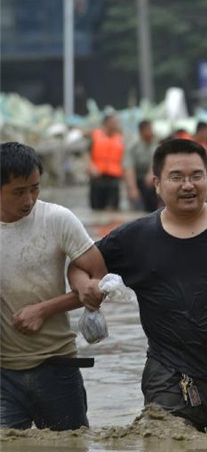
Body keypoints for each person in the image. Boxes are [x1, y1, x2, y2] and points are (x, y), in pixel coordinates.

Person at [68, 139, 207, 438]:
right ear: (157, 184)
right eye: (176, 177)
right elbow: (79, 263)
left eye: (196, 176)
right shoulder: (134, 237)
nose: (188, 185)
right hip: (167, 373)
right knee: (166, 442)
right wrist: (86, 287)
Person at [0, 143, 103, 431]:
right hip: (3, 375)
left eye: (35, 188)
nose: (29, 199)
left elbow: (100, 278)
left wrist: (45, 309)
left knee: (71, 445)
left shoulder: (57, 219)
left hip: (57, 365)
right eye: (18, 192)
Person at [87, 113, 125, 211]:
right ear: (106, 123)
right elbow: (86, 154)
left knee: (113, 208)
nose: (115, 124)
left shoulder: (120, 138)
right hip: (98, 178)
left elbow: (124, 158)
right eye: (113, 122)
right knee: (96, 209)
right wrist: (91, 167)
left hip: (114, 179)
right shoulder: (95, 136)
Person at [123, 120, 159, 212]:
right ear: (141, 131)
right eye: (149, 129)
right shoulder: (132, 145)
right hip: (136, 180)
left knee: (152, 210)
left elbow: (155, 161)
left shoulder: (155, 144)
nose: (151, 132)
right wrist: (132, 189)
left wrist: (151, 174)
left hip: (150, 181)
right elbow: (129, 168)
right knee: (136, 209)